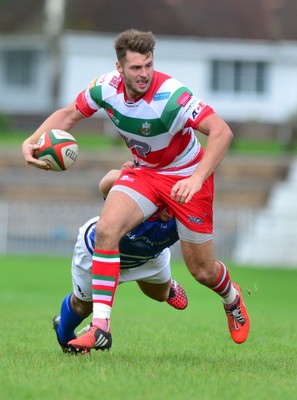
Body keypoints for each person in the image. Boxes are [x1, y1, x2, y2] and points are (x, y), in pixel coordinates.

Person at [22, 29, 250, 351]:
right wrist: (32, 141)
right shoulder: (105, 89)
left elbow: (222, 132)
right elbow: (69, 115)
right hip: (145, 173)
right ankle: (101, 327)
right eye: (135, 68)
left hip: (186, 175)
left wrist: (196, 179)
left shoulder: (171, 97)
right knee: (106, 230)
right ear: (120, 68)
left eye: (148, 65)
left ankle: (232, 297)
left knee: (202, 270)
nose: (144, 74)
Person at [53, 168, 187, 354]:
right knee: (83, 306)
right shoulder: (140, 192)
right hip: (99, 251)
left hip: (149, 256)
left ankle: (167, 286)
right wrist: (125, 174)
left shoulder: (186, 208)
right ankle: (63, 331)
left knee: (160, 295)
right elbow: (106, 184)